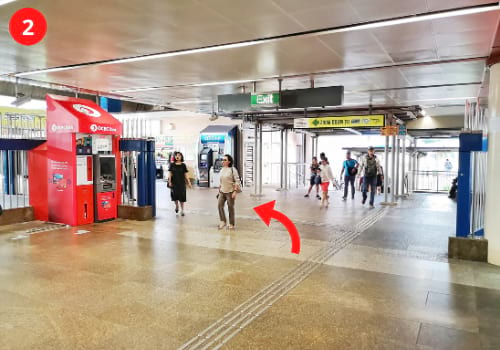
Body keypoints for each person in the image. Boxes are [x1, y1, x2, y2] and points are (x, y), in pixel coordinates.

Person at [217, 154, 241, 230]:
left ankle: (231, 223)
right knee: (219, 206)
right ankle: (223, 221)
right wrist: (219, 188)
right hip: (222, 191)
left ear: (229, 161)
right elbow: (221, 180)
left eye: (225, 160)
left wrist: (235, 191)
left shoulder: (233, 169)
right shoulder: (222, 169)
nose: (223, 161)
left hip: (230, 191)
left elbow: (237, 181)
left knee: (230, 207)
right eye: (222, 160)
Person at [168, 151, 192, 216]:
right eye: (176, 155)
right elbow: (170, 174)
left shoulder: (183, 165)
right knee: (175, 196)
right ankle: (176, 206)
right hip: (174, 183)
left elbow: (186, 174)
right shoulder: (172, 165)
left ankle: (182, 210)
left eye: (179, 155)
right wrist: (169, 182)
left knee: (182, 197)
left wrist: (189, 182)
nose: (177, 156)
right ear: (174, 157)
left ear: (181, 157)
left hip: (181, 184)